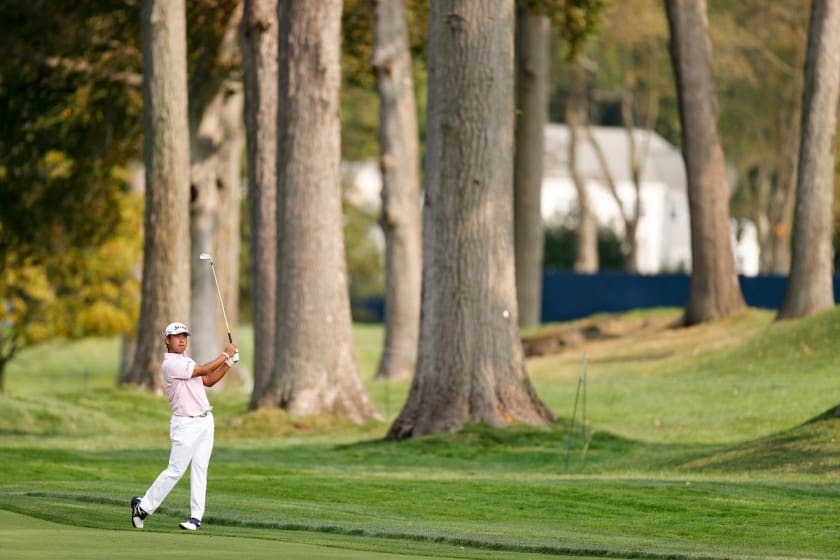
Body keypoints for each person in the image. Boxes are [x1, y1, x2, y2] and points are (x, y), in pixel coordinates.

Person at [130, 321, 238, 531]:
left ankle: (195, 518)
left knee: (200, 469)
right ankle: (143, 508)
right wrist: (226, 354)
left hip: (205, 421)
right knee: (175, 470)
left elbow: (208, 380)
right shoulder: (171, 364)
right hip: (185, 425)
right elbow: (204, 369)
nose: (182, 340)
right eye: (177, 336)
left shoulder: (187, 361)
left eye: (184, 336)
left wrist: (229, 363)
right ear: (167, 340)